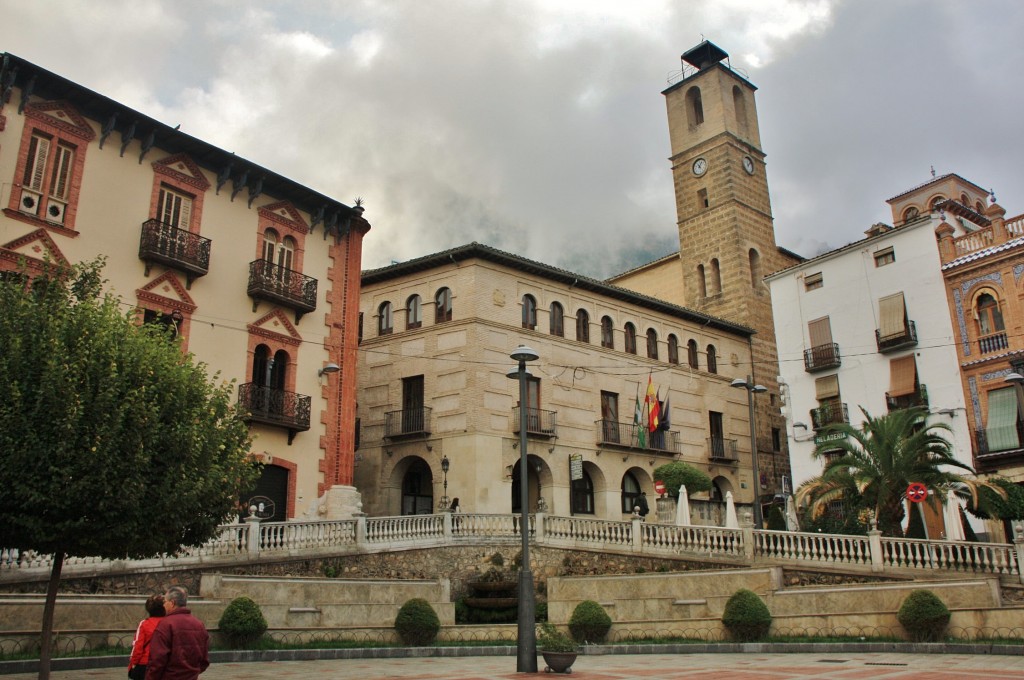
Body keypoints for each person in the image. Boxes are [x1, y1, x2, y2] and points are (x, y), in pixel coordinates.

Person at [147, 586, 210, 680]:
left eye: (165, 602)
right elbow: (204, 660)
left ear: (172, 603)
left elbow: (157, 660)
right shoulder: (199, 624)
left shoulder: (165, 624)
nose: (163, 605)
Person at [127, 594, 165, 680]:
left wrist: (133, 663)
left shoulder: (144, 624)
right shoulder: (168, 623)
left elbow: (137, 646)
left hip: (144, 664)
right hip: (162, 664)